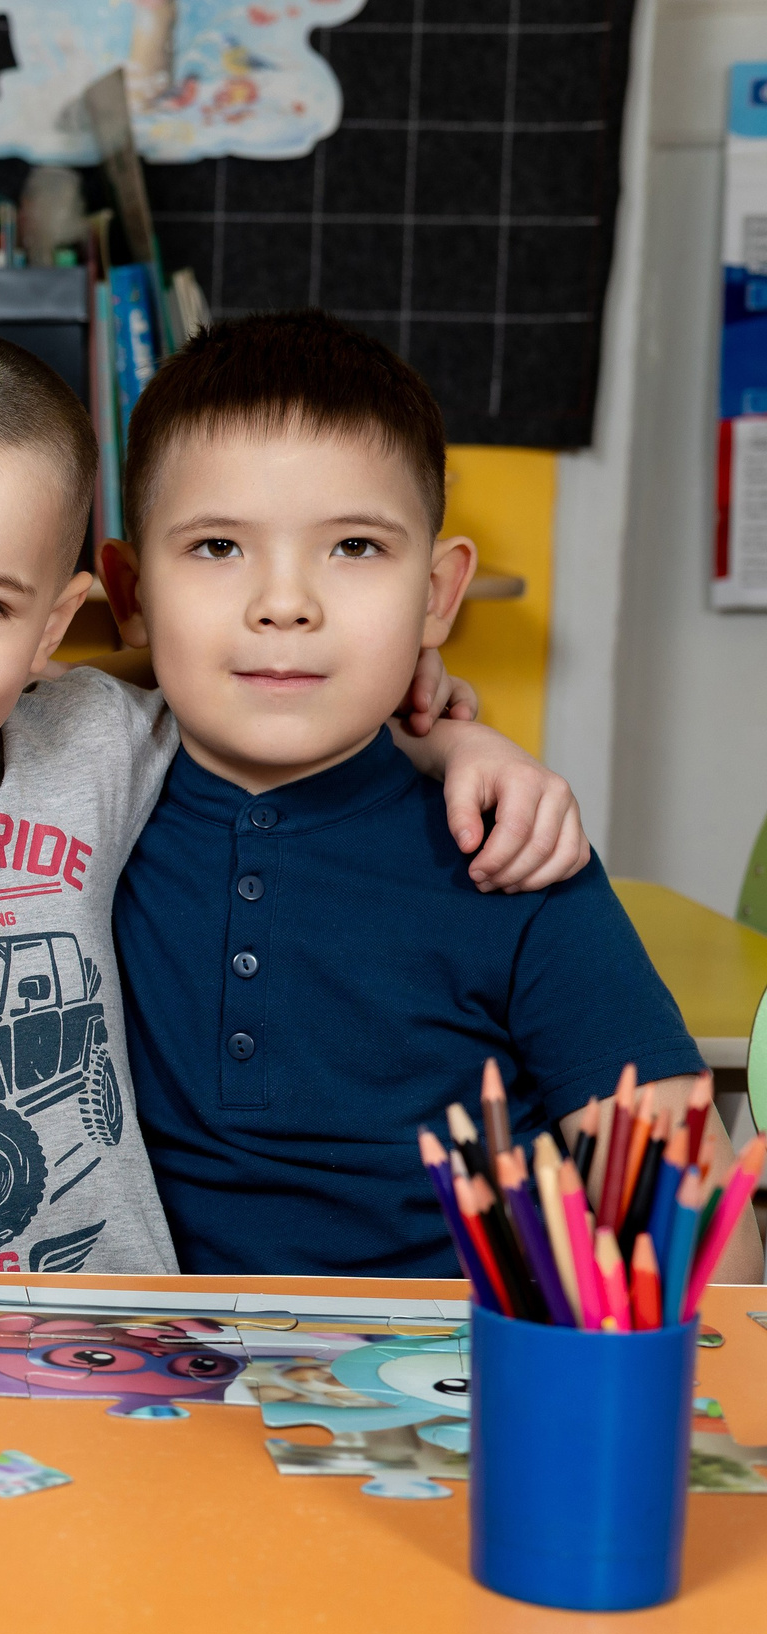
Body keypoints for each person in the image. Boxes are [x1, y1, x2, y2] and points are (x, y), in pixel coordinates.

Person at [0, 322, 587, 1274]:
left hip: (112, 1350)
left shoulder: (82, 745)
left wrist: (446, 731)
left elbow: (263, 676)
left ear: (54, 623)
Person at [104, 308, 761, 1281]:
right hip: (133, 1392)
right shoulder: (64, 820)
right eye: (215, 547)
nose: (284, 603)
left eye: (355, 547)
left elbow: (709, 1257)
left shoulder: (513, 854)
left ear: (437, 595)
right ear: (128, 593)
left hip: (455, 1397)